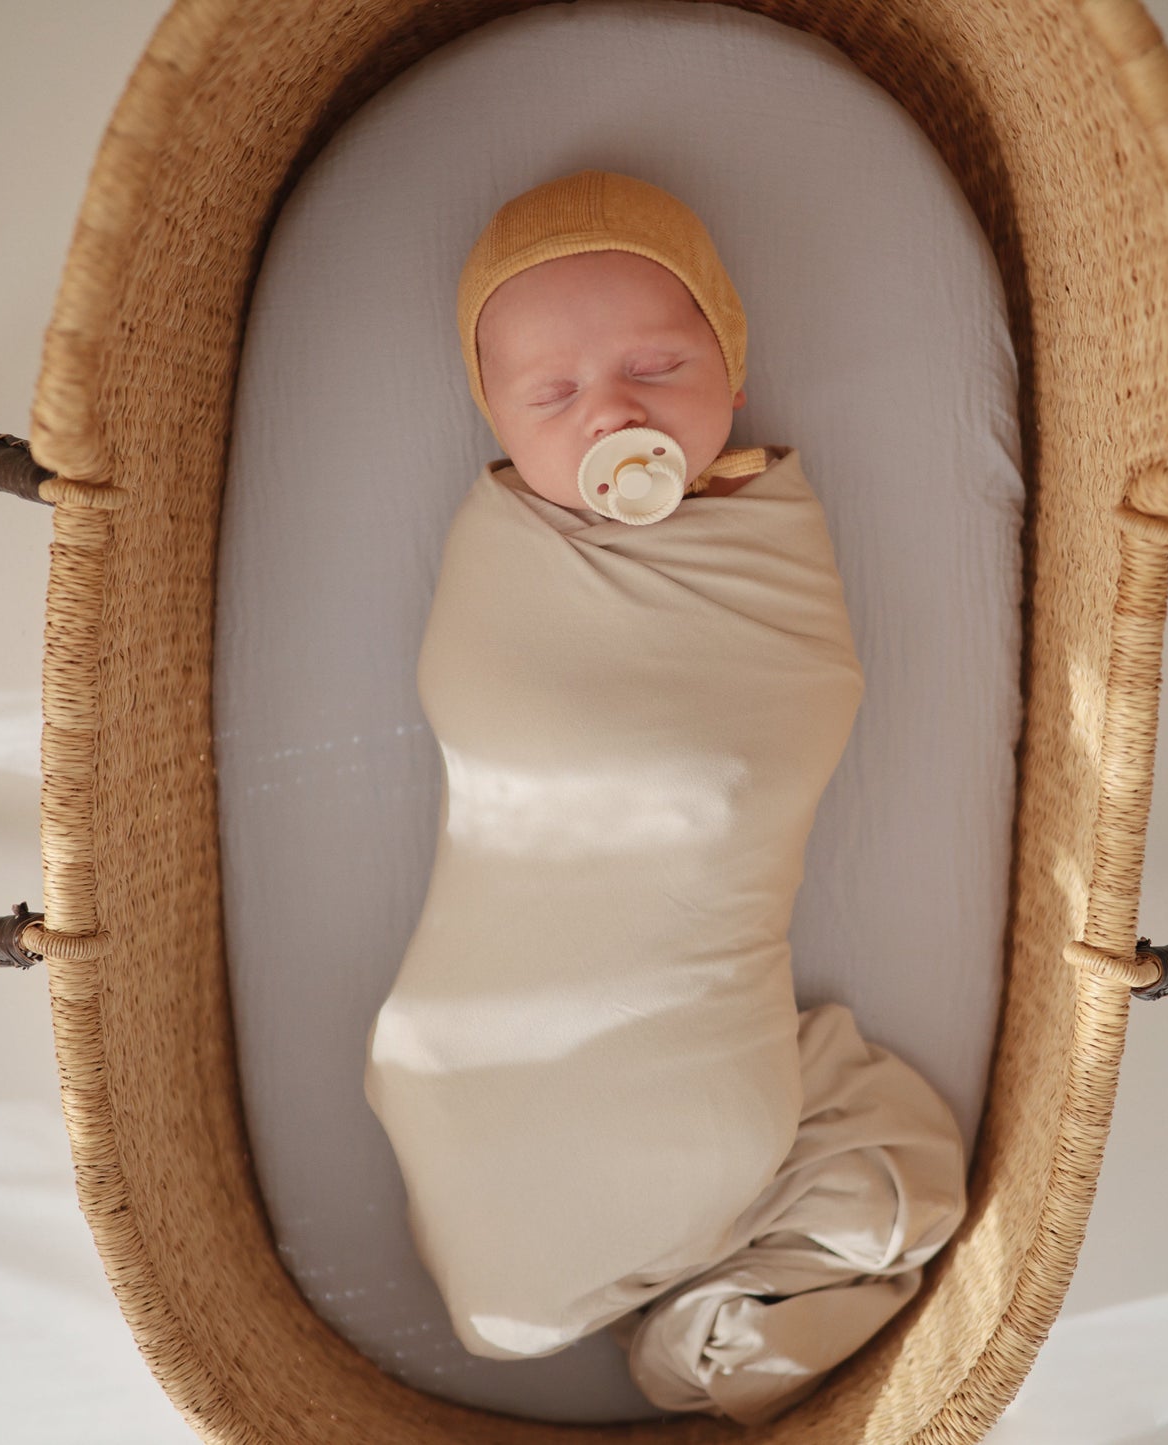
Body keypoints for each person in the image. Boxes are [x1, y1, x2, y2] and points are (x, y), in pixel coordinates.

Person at [363, 169, 967, 1427]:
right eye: (551, 395)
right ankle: (681, 1286)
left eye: (655, 366)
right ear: (497, 423)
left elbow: (787, 701)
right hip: (469, 1046)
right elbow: (491, 703)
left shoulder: (764, 531)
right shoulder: (504, 544)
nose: (611, 412)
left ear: (731, 374)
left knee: (872, 1158)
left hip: (697, 1100)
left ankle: (683, 1291)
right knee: (883, 1168)